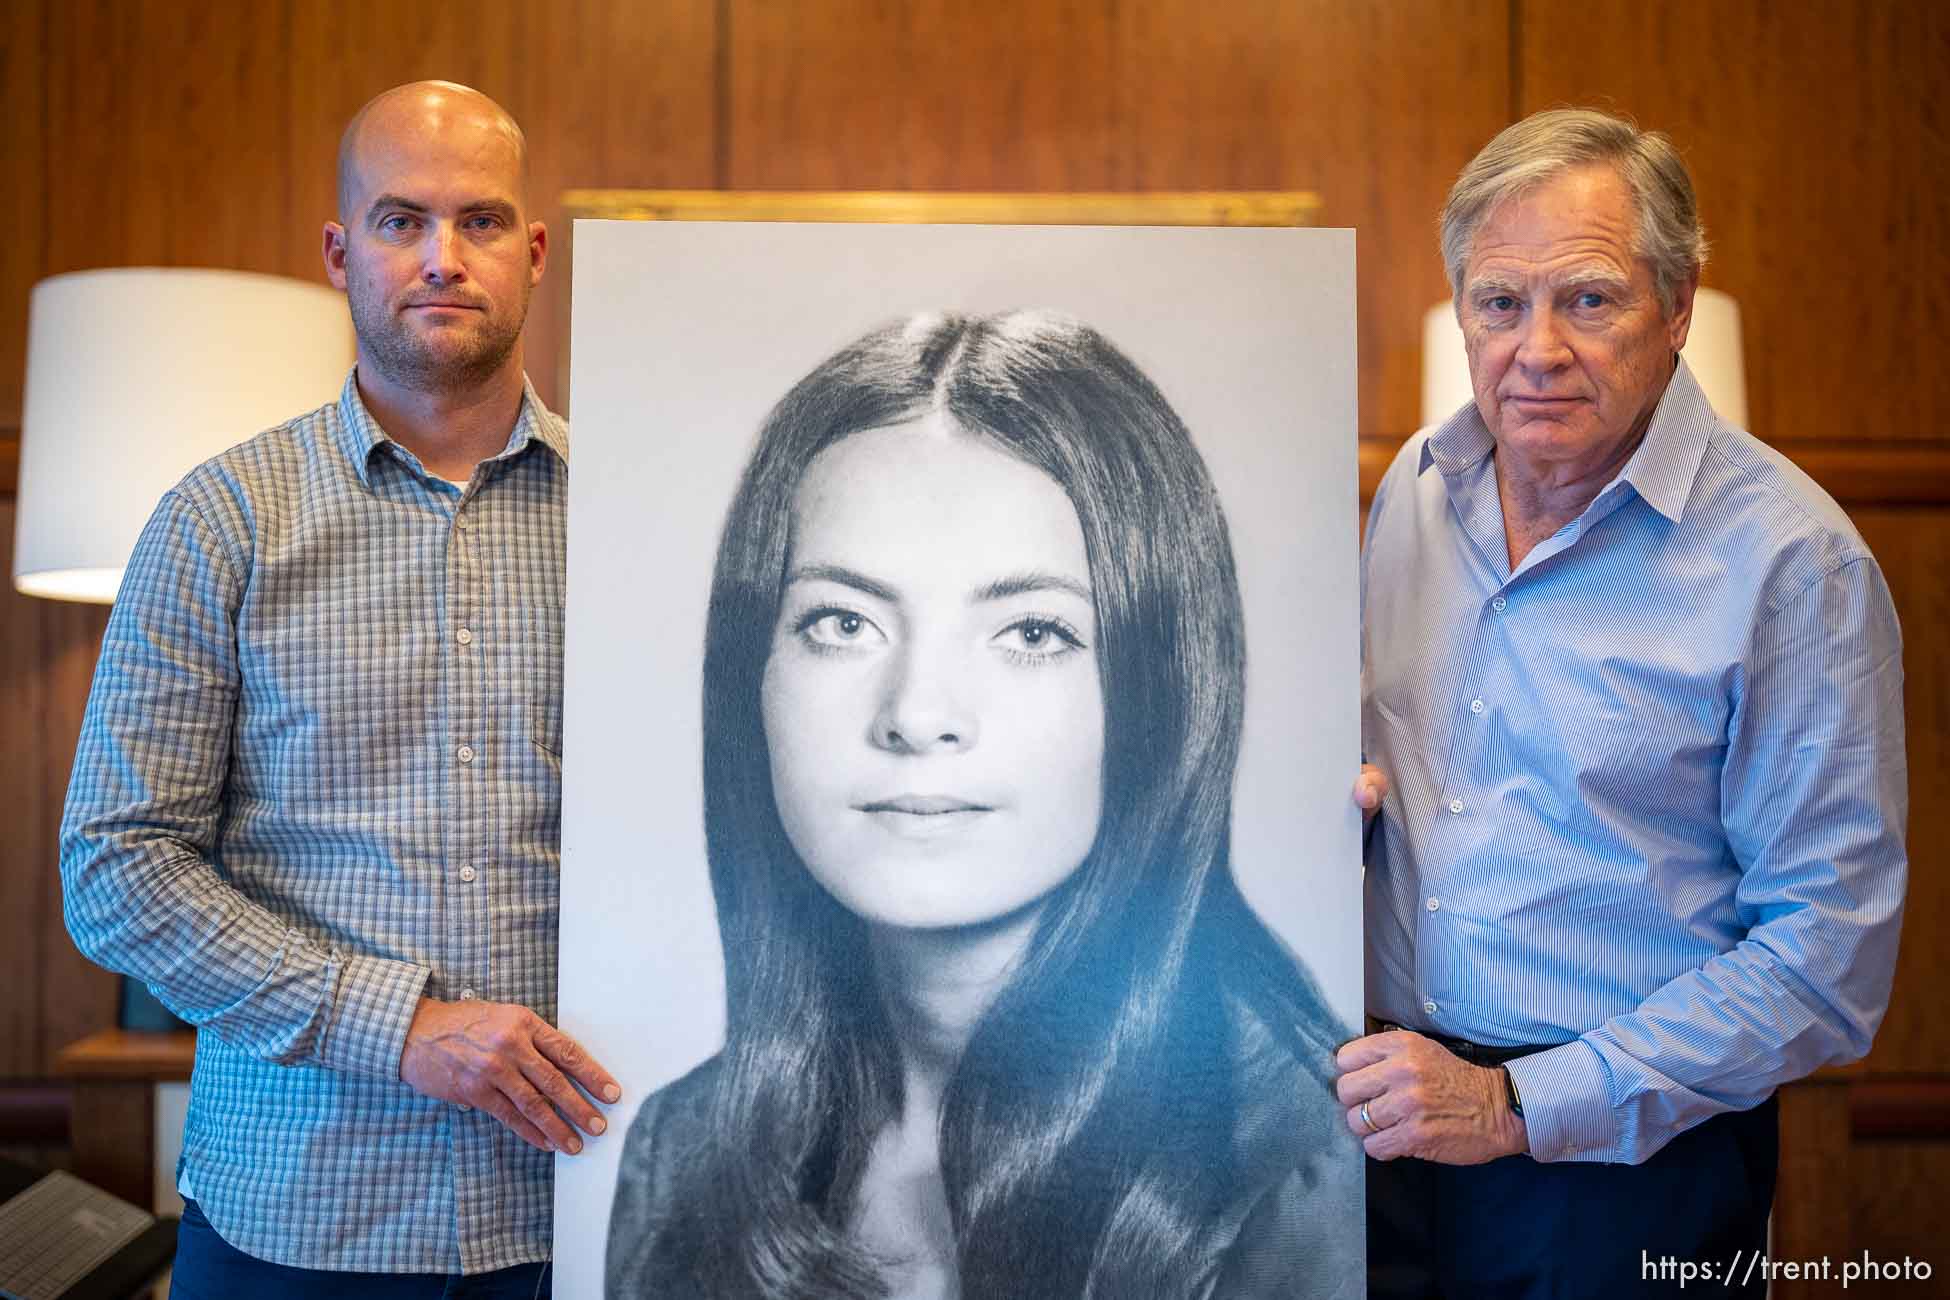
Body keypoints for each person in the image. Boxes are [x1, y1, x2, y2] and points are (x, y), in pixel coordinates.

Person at [605, 310, 1362, 1300]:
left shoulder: (1306, 1168)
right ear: (750, 670)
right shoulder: (686, 1154)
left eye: (1034, 631)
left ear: (1161, 688)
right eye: (843, 620)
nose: (918, 714)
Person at [59, 81, 619, 1298]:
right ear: (339, 250)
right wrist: (401, 1027)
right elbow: (117, 864)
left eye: (479, 222)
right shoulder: (222, 521)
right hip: (298, 1216)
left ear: (533, 254)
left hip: (586, 1208)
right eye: (400, 220)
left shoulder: (641, 513)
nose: (441, 257)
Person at [1342, 108, 1907, 1298]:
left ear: (1680, 304)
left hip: (1624, 1171)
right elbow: (1397, 790)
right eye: (1499, 303)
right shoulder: (1414, 491)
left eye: (1588, 300)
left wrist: (1515, 1105)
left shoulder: (1793, 562)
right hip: (1382, 1134)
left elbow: (1825, 960)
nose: (1535, 347)